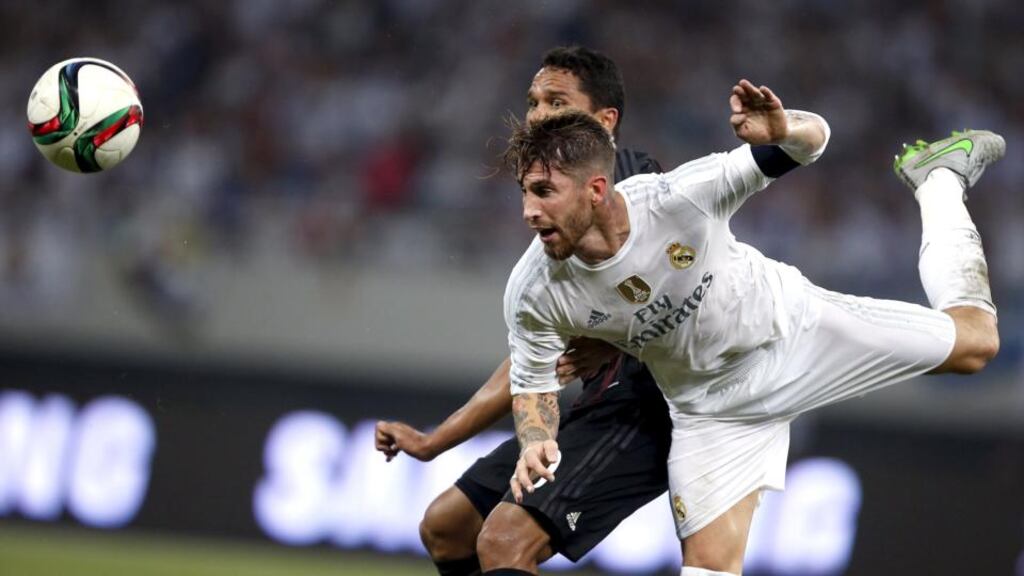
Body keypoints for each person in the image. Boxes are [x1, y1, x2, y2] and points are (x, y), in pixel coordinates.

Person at [502, 81, 1002, 576]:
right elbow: (531, 383)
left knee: (977, 344)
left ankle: (937, 179)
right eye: (525, 192)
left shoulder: (679, 199)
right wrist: (536, 440)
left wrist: (785, 129)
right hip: (712, 412)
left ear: (595, 189)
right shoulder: (534, 290)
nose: (529, 211)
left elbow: (813, 142)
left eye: (545, 192)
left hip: (794, 334)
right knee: (708, 571)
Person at [375, 46, 672, 576]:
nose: (537, 115)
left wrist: (618, 336)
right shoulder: (556, 234)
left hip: (648, 410)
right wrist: (434, 441)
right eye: (533, 102)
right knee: (448, 528)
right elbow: (533, 362)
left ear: (604, 124)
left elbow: (691, 290)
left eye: (556, 102)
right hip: (595, 407)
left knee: (505, 542)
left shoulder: (631, 185)